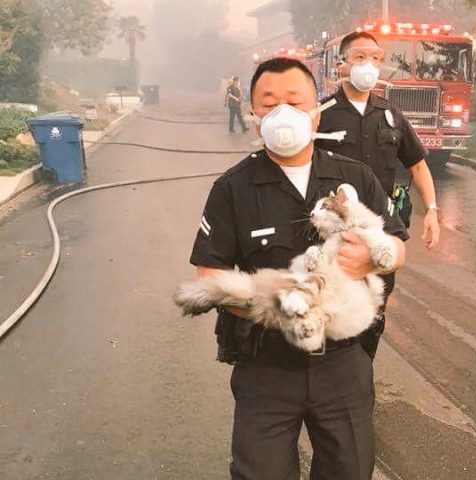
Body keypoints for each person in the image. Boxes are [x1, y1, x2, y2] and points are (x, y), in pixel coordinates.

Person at [189, 57, 408, 479]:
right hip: (266, 365)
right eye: (268, 103)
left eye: (294, 100)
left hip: (343, 364)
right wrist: (283, 310)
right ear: (252, 114)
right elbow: (209, 275)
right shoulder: (233, 188)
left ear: (316, 108)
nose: (281, 113)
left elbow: (398, 245)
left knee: (350, 470)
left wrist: (373, 258)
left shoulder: (355, 177)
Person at [315, 31, 440, 249]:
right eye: (360, 57)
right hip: (334, 230)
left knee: (381, 283)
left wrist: (431, 209)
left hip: (381, 227)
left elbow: (418, 165)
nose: (369, 65)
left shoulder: (390, 114)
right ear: (341, 65)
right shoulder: (321, 115)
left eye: (375, 58)